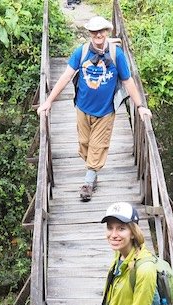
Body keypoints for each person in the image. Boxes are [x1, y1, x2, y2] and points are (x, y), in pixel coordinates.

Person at [36, 16, 152, 202]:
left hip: (106, 111)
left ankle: (88, 182)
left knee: (98, 147)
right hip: (82, 108)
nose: (98, 34)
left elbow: (128, 81)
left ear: (106, 32)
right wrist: (48, 101)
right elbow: (66, 77)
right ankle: (92, 169)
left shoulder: (117, 55)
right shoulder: (81, 53)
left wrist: (140, 106)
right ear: (89, 33)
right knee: (84, 145)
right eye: (94, 31)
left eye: (101, 31)